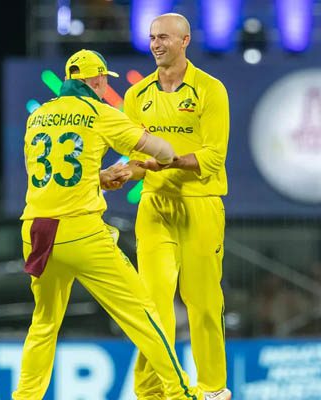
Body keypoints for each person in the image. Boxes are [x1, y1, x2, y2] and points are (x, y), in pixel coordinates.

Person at [13, 49, 202, 400]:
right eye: (103, 81)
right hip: (80, 232)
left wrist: (97, 177)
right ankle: (181, 393)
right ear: (97, 79)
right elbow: (159, 149)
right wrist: (167, 159)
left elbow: (46, 174)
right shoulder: (99, 112)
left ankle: (25, 397)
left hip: (36, 231)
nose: (104, 87)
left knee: (44, 325)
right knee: (143, 314)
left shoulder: (38, 115)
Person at [101, 13, 231, 400]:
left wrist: (169, 161)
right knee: (152, 303)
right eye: (152, 38)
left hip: (200, 204)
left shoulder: (210, 90)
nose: (156, 44)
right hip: (155, 207)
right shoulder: (137, 95)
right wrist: (122, 174)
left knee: (203, 303)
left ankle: (213, 389)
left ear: (185, 41)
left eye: (164, 38)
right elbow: (139, 160)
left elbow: (213, 158)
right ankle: (151, 392)